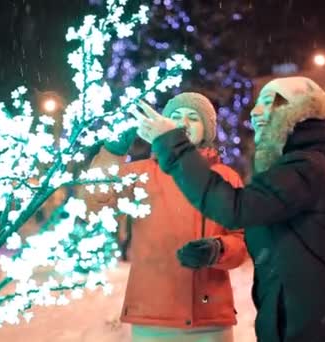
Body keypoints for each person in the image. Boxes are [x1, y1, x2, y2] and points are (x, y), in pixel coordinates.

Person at [133, 77, 325, 341]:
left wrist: (174, 145)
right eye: (257, 102)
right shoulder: (302, 165)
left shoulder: (306, 167)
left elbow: (235, 209)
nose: (255, 111)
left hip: (317, 327)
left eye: (270, 101)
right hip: (300, 320)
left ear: (301, 110)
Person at [81, 92, 248, 342]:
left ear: (207, 130)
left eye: (193, 117)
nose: (183, 123)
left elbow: (242, 240)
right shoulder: (140, 174)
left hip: (209, 318)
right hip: (153, 317)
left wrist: (218, 249)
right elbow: (94, 203)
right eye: (174, 117)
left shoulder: (225, 177)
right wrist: (112, 152)